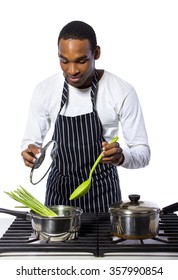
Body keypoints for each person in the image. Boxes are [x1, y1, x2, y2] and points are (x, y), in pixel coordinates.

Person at [21, 20, 150, 213]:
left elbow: (143, 152)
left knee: (103, 243)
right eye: (64, 60)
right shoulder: (44, 90)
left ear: (96, 53)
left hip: (103, 194)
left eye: (81, 61)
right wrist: (29, 152)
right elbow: (30, 142)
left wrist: (121, 157)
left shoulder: (121, 91)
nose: (72, 70)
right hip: (59, 196)